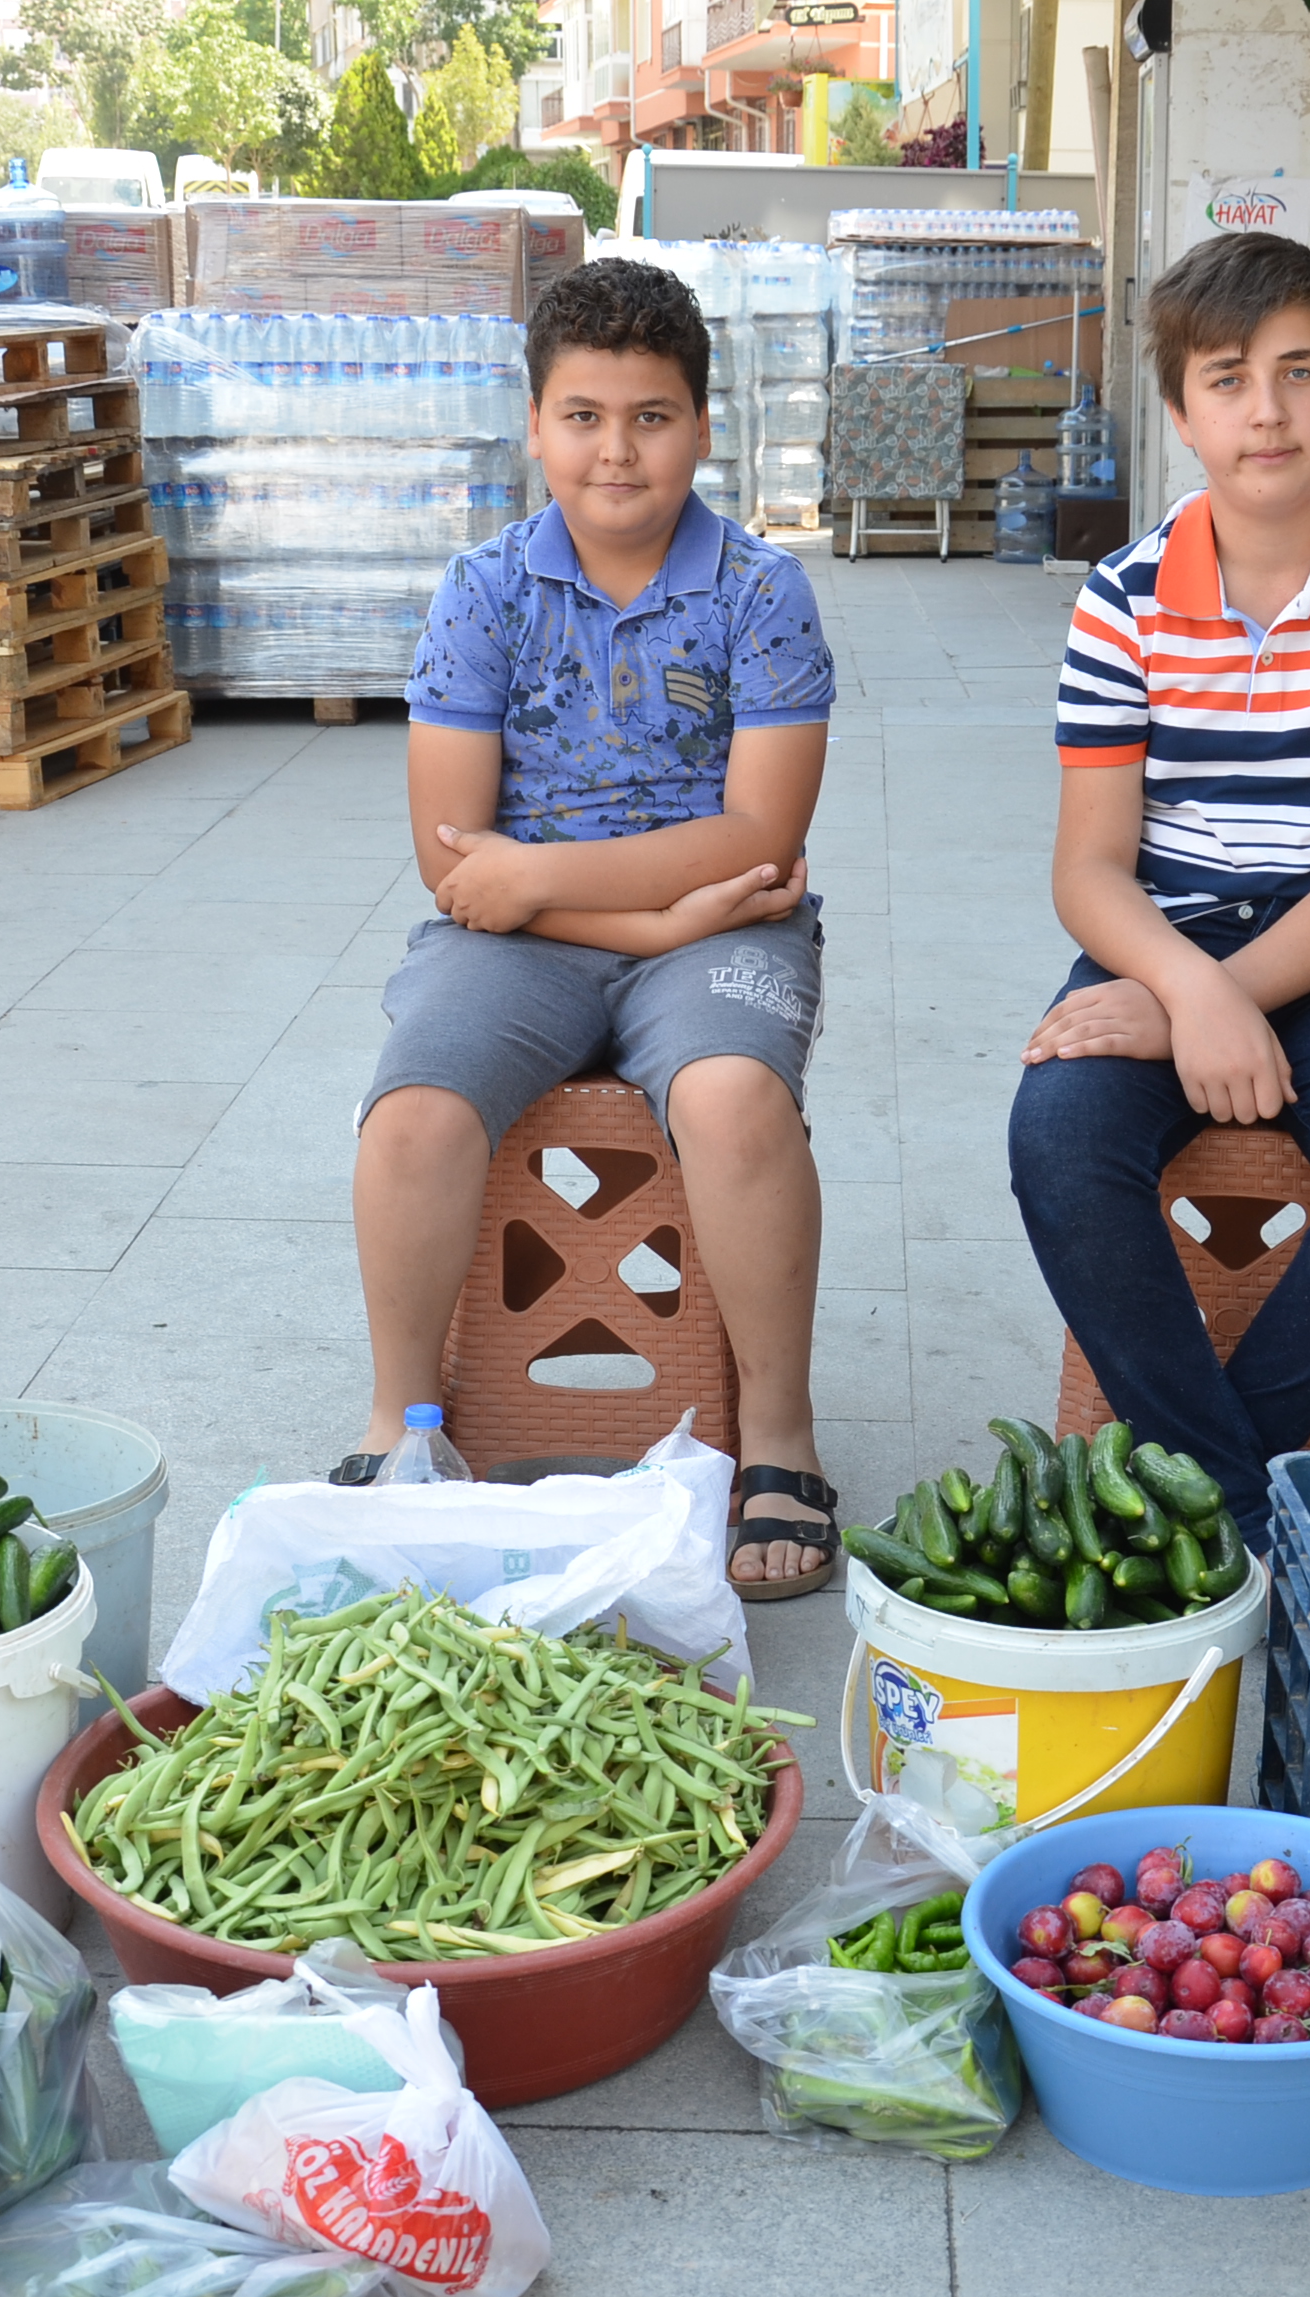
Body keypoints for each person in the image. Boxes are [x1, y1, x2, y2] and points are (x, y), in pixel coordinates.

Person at [346, 256, 846, 1599]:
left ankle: (780, 1442)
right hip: (532, 938)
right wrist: (651, 912)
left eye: (652, 415)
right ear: (534, 427)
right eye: (583, 415)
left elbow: (760, 837)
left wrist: (590, 891)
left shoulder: (758, 591)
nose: (616, 450)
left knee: (738, 1100)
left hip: (723, 929)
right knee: (413, 1116)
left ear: (701, 426)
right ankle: (401, 1427)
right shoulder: (484, 592)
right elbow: (456, 864)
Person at [1007, 231, 1310, 1539]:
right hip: (1161, 933)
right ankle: (1236, 1502)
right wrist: (1176, 987)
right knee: (1056, 1141)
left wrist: (1208, 1007)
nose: (1265, 411)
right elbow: (1090, 865)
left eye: (1299, 372)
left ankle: (1191, 1493)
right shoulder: (1121, 599)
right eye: (1227, 378)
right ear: (1179, 410)